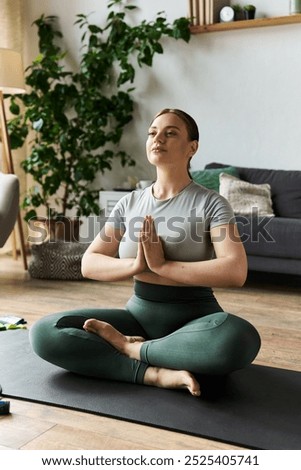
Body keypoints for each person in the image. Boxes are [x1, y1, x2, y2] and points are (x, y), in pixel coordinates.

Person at [29, 108, 261, 397]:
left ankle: (132, 348)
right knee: (45, 332)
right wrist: (138, 264)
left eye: (170, 132)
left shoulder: (211, 204)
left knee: (239, 339)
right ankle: (152, 373)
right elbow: (90, 263)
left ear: (192, 147)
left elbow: (235, 270)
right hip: (138, 316)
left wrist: (162, 267)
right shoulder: (129, 203)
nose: (158, 138)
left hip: (197, 319)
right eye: (152, 132)